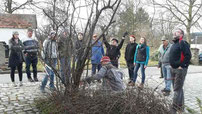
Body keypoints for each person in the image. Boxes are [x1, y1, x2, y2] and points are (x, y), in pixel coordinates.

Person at [169, 29, 191, 114]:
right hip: (173, 69)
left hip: (179, 70)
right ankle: (180, 108)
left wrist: (182, 66)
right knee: (179, 89)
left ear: (181, 34)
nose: (175, 32)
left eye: (177, 32)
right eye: (174, 31)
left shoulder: (183, 43)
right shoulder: (174, 44)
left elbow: (188, 56)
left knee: (176, 90)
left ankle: (173, 110)